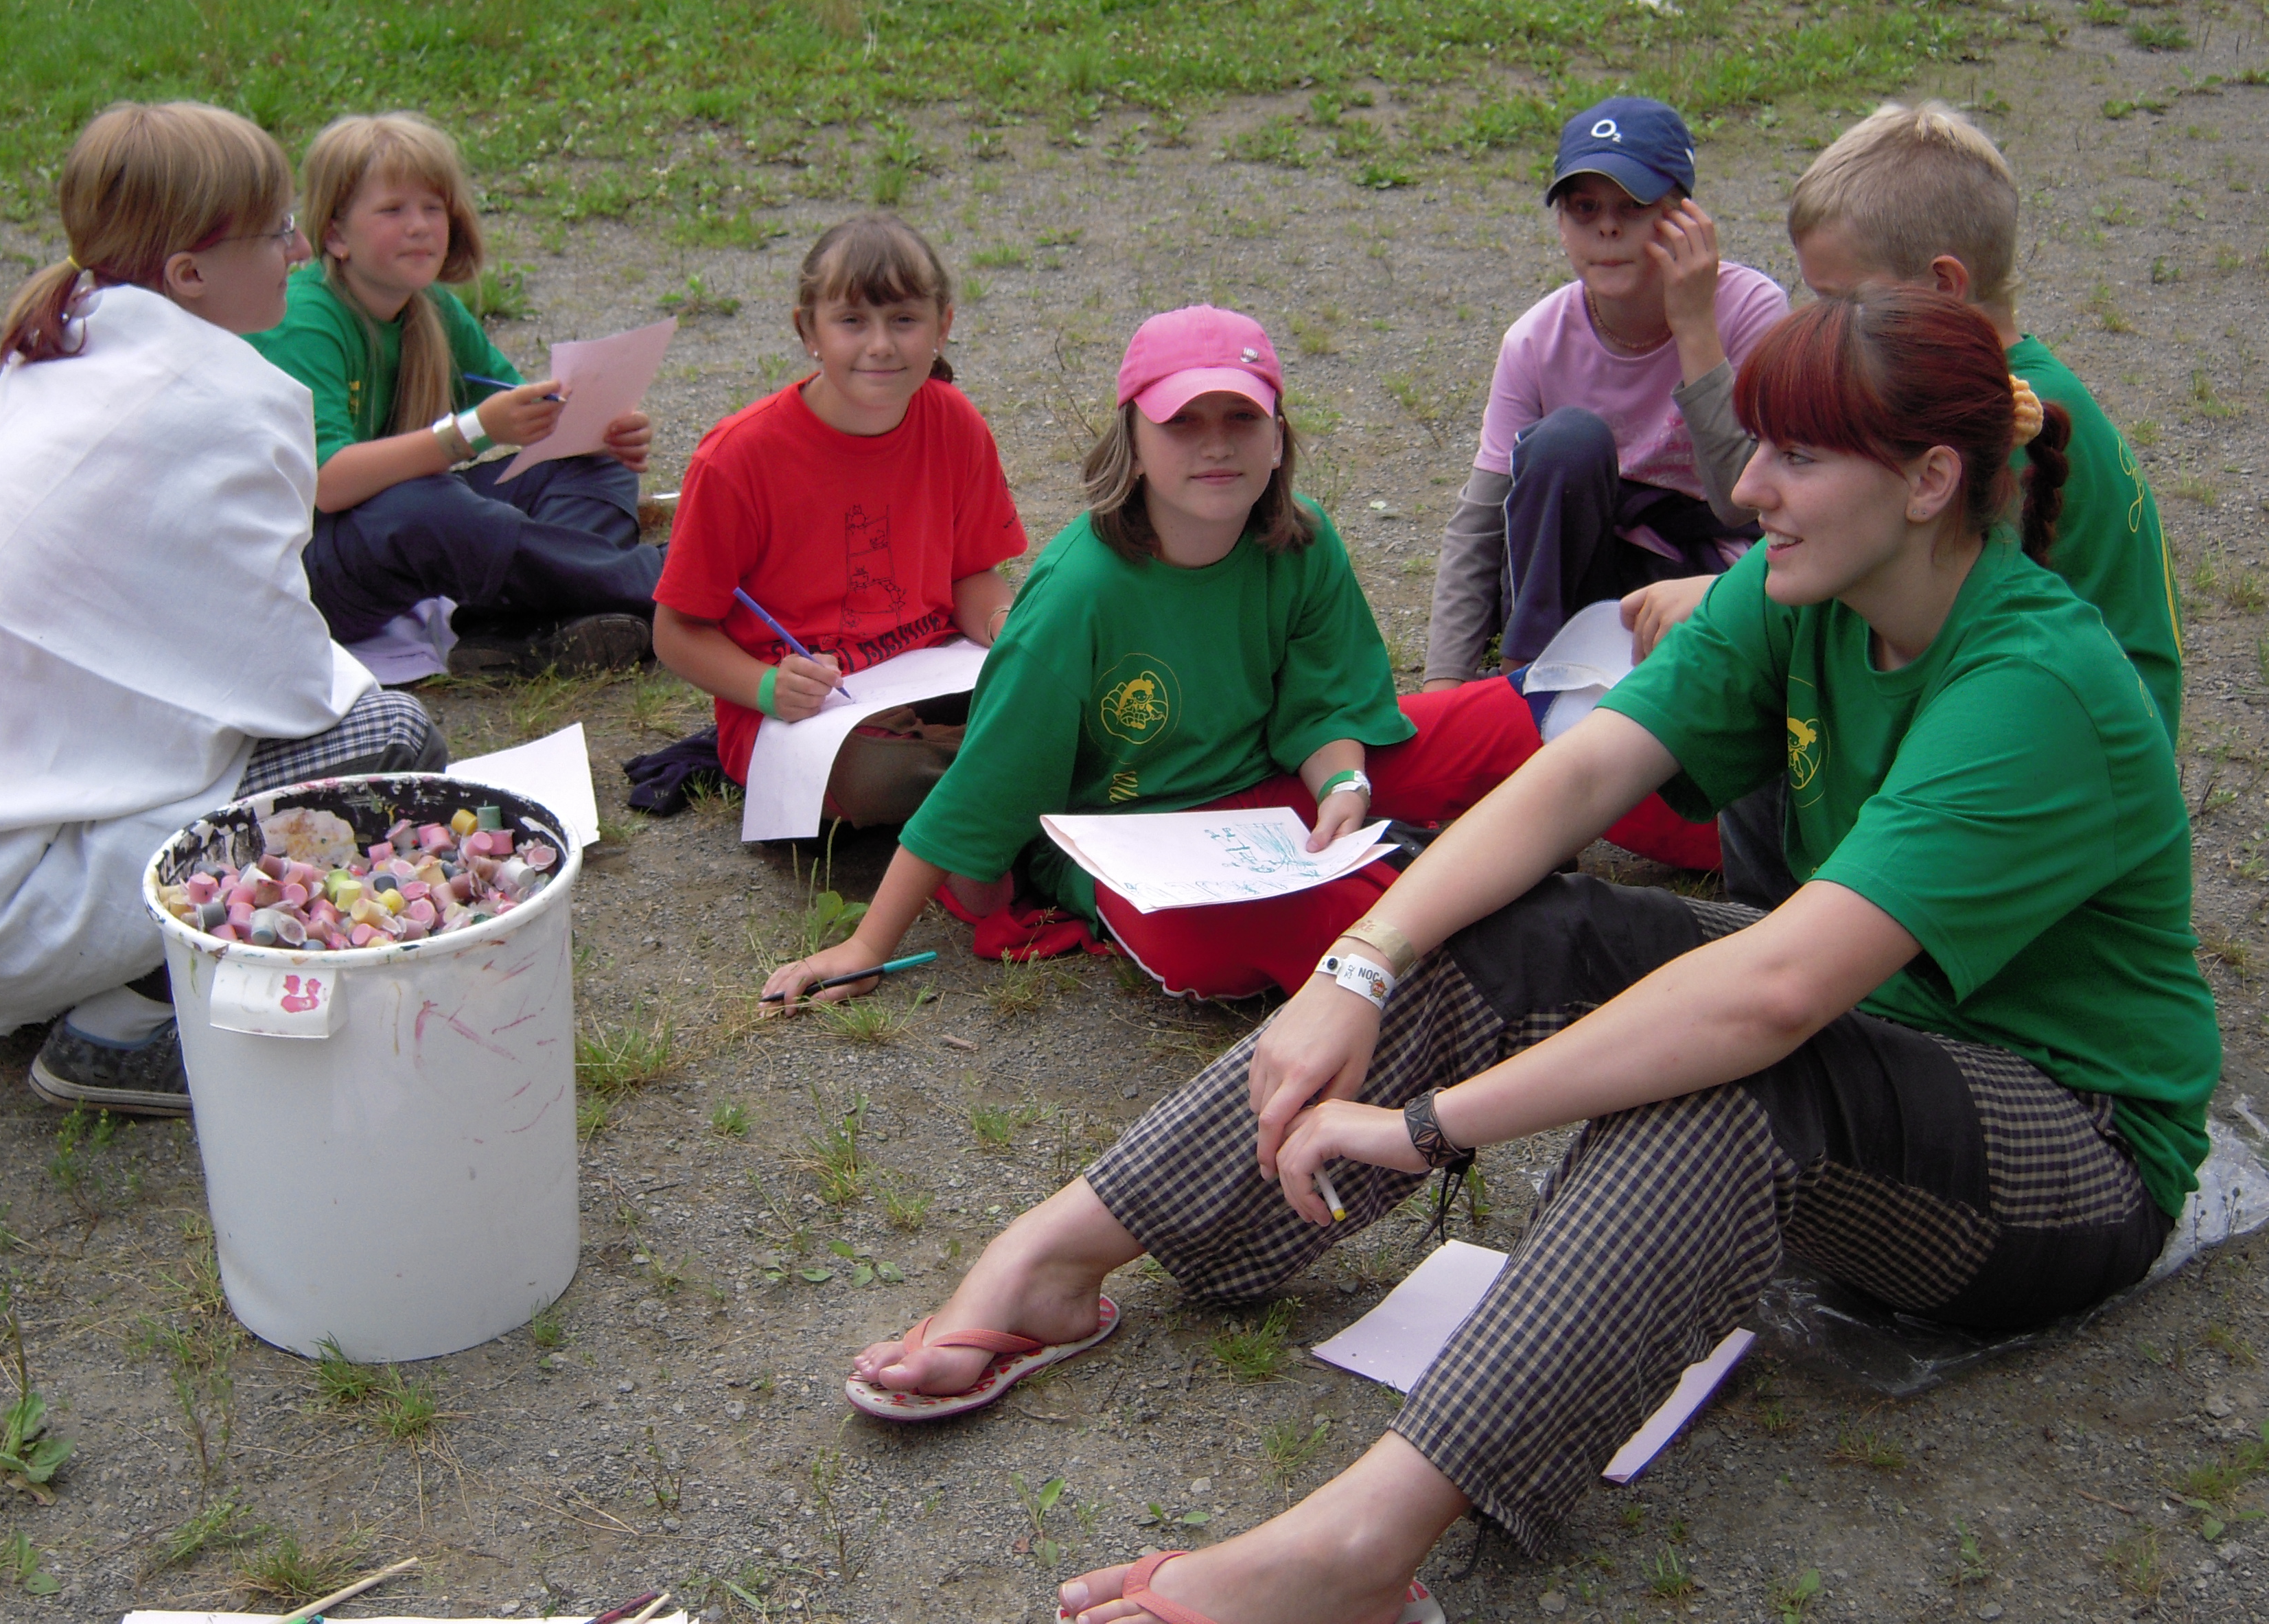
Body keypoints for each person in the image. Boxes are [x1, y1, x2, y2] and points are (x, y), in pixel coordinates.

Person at [842, 292, 2218, 1624]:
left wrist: (1426, 1125)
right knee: (1505, 919)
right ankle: (1060, 1260)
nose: (1749, 492)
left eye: (1798, 458)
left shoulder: (2033, 683)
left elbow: (1774, 996)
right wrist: (1360, 962)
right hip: (1878, 1024)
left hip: (2069, 1137)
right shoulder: (1807, 590)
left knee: (1735, 1084)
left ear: (1927, 482)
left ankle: (1362, 1549)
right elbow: (1579, 777)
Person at [0, 103, 450, 1115]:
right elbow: (290, 685)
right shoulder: (226, 404)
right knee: (393, 741)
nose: (299, 252)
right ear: (188, 274)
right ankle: (122, 1024)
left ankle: (109, 982)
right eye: (276, 232)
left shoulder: (64, 344)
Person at [767, 303, 1590, 1006]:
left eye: (1242, 418)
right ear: (1131, 440)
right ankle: (1508, 936)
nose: (1216, 445)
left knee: (1543, 713)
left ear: (1278, 438)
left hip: (1276, 782)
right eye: (1182, 421)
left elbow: (1329, 704)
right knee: (1261, 930)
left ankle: (1611, 827)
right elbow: (984, 786)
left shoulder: (1303, 538)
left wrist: (1343, 784)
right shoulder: (1078, 593)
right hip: (1146, 845)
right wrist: (867, 945)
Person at [1622, 100, 2181, 906]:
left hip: (2057, 776)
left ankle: (1779, 924)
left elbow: (1943, 587)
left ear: (1943, 287)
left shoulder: (1998, 422)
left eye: (1839, 298)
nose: (1823, 324)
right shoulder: (2004, 385)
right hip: (2022, 724)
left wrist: (1720, 592)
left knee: (1779, 684)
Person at [248, 113, 661, 676]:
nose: (419, 226)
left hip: (396, 532)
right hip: (309, 572)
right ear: (337, 235)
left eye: (433, 208)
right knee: (426, 506)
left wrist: (598, 430)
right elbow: (328, 484)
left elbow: (532, 411)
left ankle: (510, 633)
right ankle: (664, 583)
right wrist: (472, 431)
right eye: (393, 210)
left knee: (592, 466)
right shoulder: (305, 318)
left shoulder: (433, 309)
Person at [651, 214, 1025, 826]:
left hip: (934, 680)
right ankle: (1017, 776)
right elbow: (677, 633)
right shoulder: (738, 458)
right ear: (809, 330)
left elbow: (970, 574)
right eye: (852, 321)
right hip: (806, 714)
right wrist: (767, 687)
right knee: (877, 776)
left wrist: (1004, 626)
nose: (881, 344)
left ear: (943, 326)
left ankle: (997, 774)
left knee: (1054, 686)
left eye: (904, 320)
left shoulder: (955, 422)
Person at [1421, 95, 1789, 690]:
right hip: (1579, 578)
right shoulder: (1535, 341)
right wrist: (1442, 689)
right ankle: (1530, 685)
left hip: (1701, 581)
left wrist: (1695, 327)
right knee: (1565, 442)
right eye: (1584, 208)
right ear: (1561, 226)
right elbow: (1480, 524)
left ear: (1686, 218)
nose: (1608, 228)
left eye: (1634, 206)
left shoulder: (1750, 310)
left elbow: (1741, 504)